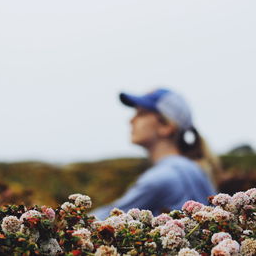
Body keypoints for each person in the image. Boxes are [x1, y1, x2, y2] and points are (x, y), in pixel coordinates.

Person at [91, 88, 221, 220]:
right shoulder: (192, 168)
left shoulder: (162, 177)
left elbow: (108, 217)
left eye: (141, 114)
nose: (131, 120)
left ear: (166, 126)